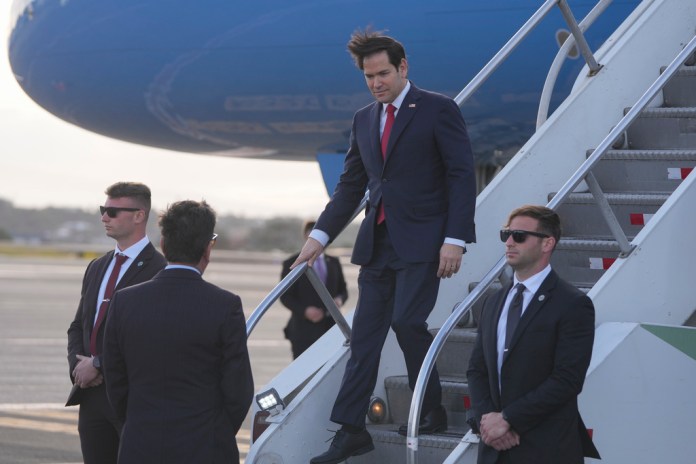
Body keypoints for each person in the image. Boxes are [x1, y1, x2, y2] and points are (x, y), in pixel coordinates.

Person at [294, 30, 477, 463]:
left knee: (408, 322)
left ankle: (428, 405)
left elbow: (460, 174)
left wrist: (455, 239)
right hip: (377, 243)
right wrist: (318, 238)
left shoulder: (436, 109)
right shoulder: (363, 119)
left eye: (383, 74)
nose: (376, 83)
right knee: (364, 340)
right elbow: (350, 186)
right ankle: (350, 428)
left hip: (425, 242)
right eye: (368, 76)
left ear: (403, 68)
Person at [102, 200, 253, 464]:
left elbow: (116, 380)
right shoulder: (225, 305)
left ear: (163, 243)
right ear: (208, 247)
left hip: (140, 443)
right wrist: (215, 430)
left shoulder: (124, 301)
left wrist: (139, 421)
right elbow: (238, 389)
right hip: (205, 445)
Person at [466, 205, 601, 463]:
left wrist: (508, 419)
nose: (508, 242)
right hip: (495, 450)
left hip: (546, 449)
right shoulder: (493, 302)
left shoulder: (573, 304)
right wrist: (489, 423)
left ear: (547, 243)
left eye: (519, 235)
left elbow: (567, 380)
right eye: (506, 234)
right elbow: (476, 369)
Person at [66, 182, 167, 464]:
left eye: (112, 211)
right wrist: (79, 367)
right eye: (103, 210)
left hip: (132, 398)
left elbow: (151, 339)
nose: (104, 217)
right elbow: (78, 326)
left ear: (139, 215)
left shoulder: (160, 271)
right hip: (92, 397)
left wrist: (97, 364)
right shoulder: (97, 266)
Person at [281, 220, 349, 359]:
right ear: (306, 236)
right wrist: (305, 311)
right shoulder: (292, 262)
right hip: (303, 329)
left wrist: (339, 300)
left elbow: (343, 290)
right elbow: (285, 296)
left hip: (330, 327)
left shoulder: (334, 262)